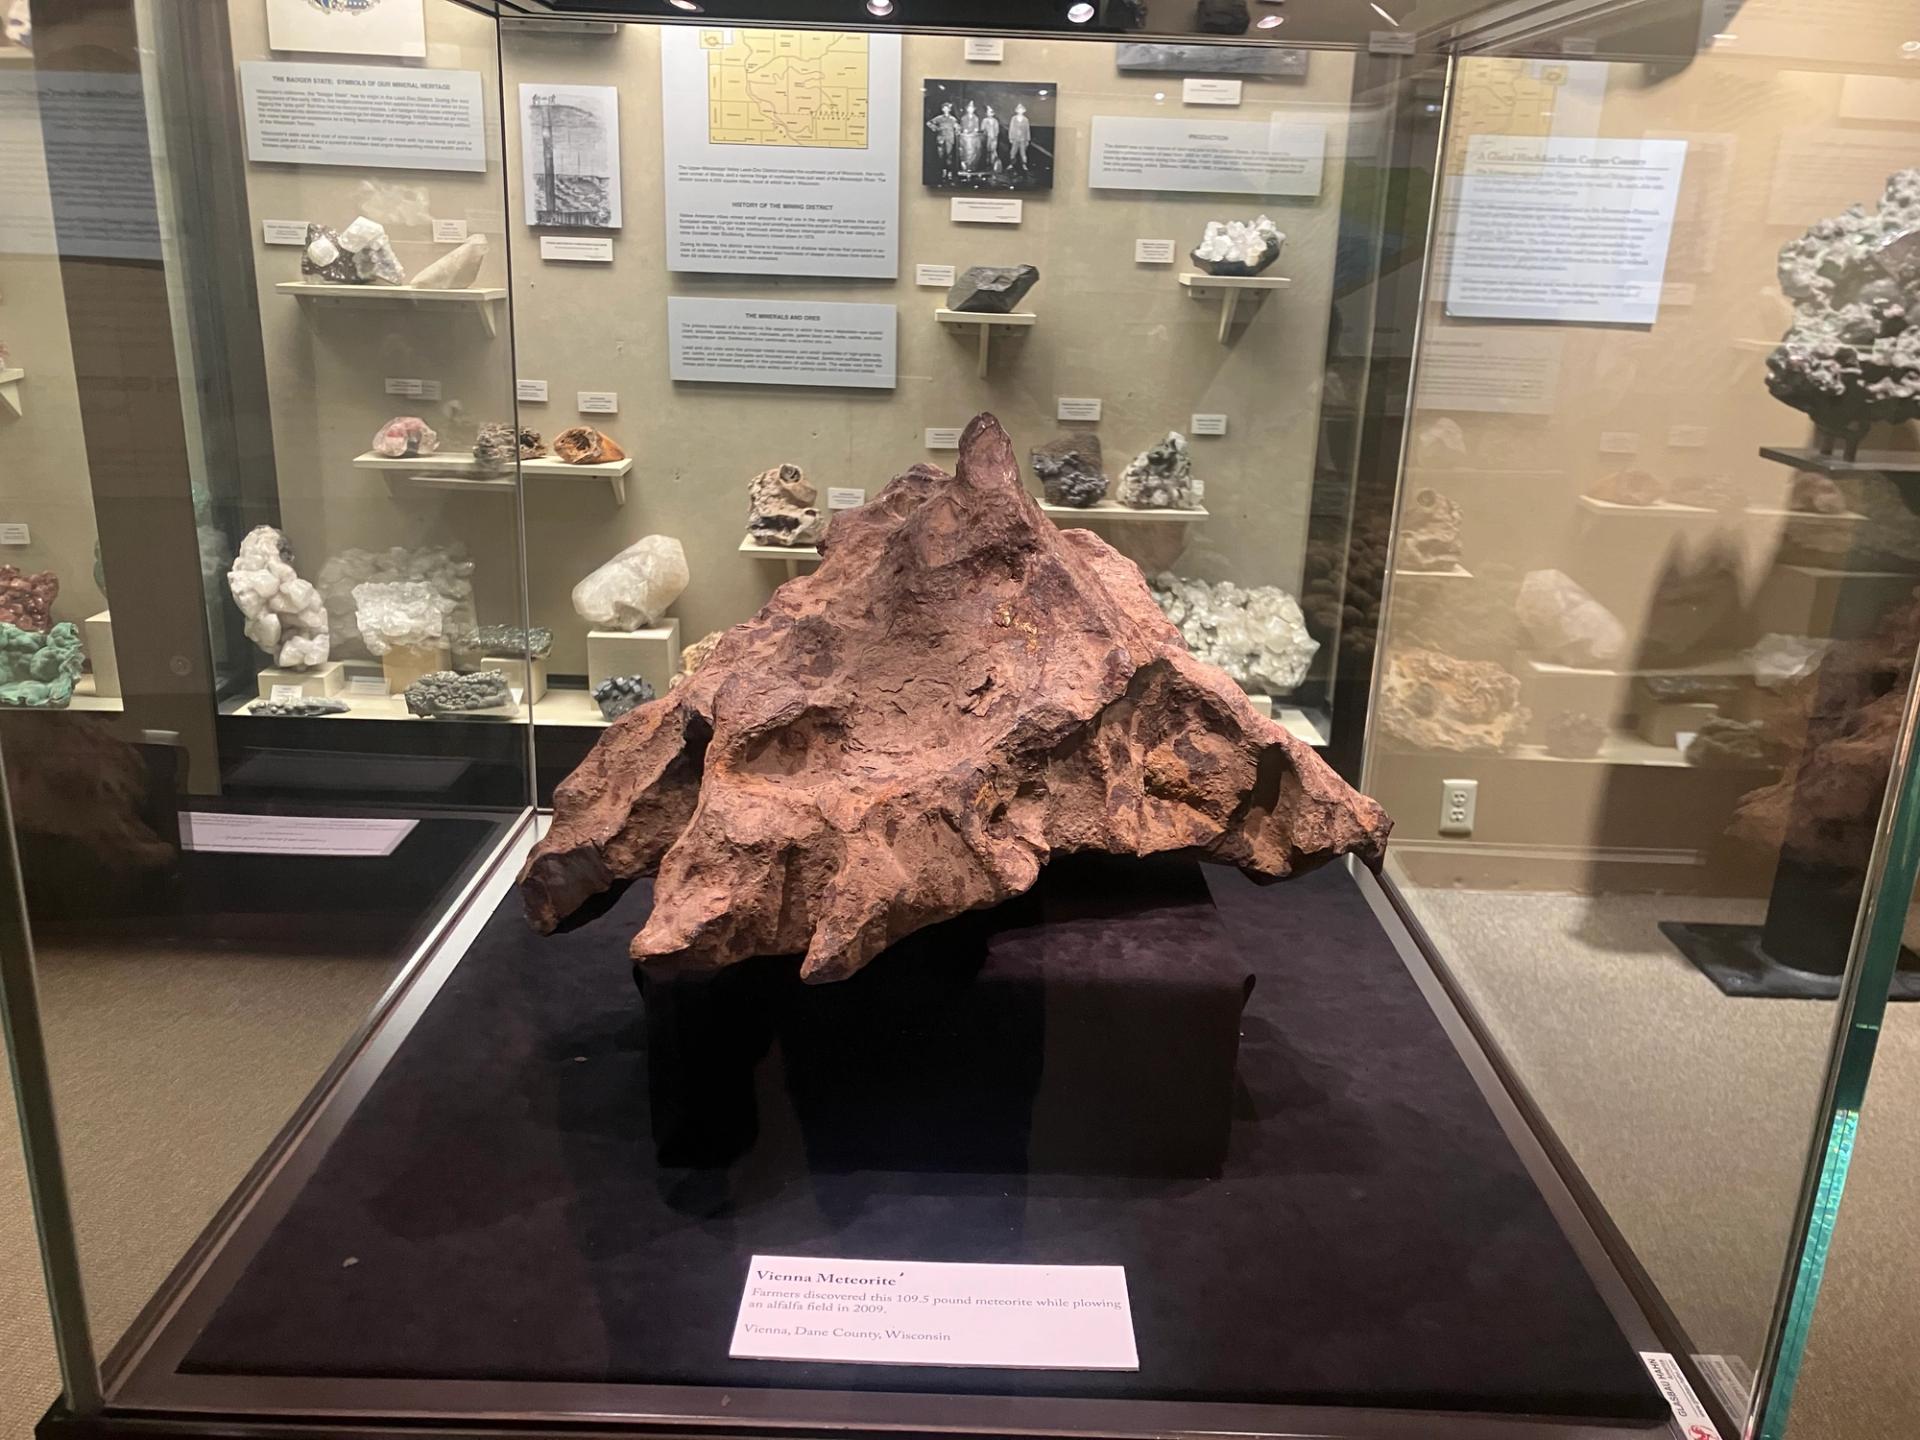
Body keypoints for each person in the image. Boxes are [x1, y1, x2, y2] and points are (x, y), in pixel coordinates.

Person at [926, 101, 959, 184]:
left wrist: (957, 130)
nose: (946, 109)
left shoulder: (952, 119)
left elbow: (957, 128)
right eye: (944, 108)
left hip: (950, 139)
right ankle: (942, 172)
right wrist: (936, 128)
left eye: (947, 108)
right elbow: (929, 123)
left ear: (950, 109)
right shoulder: (939, 118)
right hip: (940, 139)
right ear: (942, 109)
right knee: (940, 156)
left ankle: (949, 173)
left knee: (949, 156)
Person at [958, 100, 982, 175]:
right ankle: (966, 166)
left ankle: (973, 166)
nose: (970, 110)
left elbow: (977, 127)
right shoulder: (964, 118)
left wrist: (976, 130)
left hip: (973, 137)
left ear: (974, 109)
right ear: (967, 109)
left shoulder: (976, 118)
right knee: (966, 151)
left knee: (975, 151)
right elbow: (963, 127)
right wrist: (964, 130)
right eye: (969, 108)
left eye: (972, 108)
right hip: (966, 138)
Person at [1008, 102, 1032, 177]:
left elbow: (1028, 130)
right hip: (1015, 138)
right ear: (1017, 111)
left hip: (1023, 139)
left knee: (1023, 153)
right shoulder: (1013, 119)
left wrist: (1028, 139)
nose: (1020, 111)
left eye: (1021, 110)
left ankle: (1024, 165)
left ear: (1024, 111)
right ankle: (1011, 164)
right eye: (1019, 109)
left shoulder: (1026, 120)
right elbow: (1011, 128)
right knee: (1013, 152)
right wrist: (1010, 137)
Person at [981, 105, 1001, 175]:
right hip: (987, 138)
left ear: (993, 114)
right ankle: (986, 164)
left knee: (993, 151)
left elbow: (997, 130)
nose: (990, 114)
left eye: (991, 112)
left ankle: (993, 165)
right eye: (989, 112)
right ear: (987, 113)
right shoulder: (984, 120)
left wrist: (995, 137)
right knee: (986, 151)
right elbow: (982, 129)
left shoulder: (995, 121)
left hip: (994, 138)